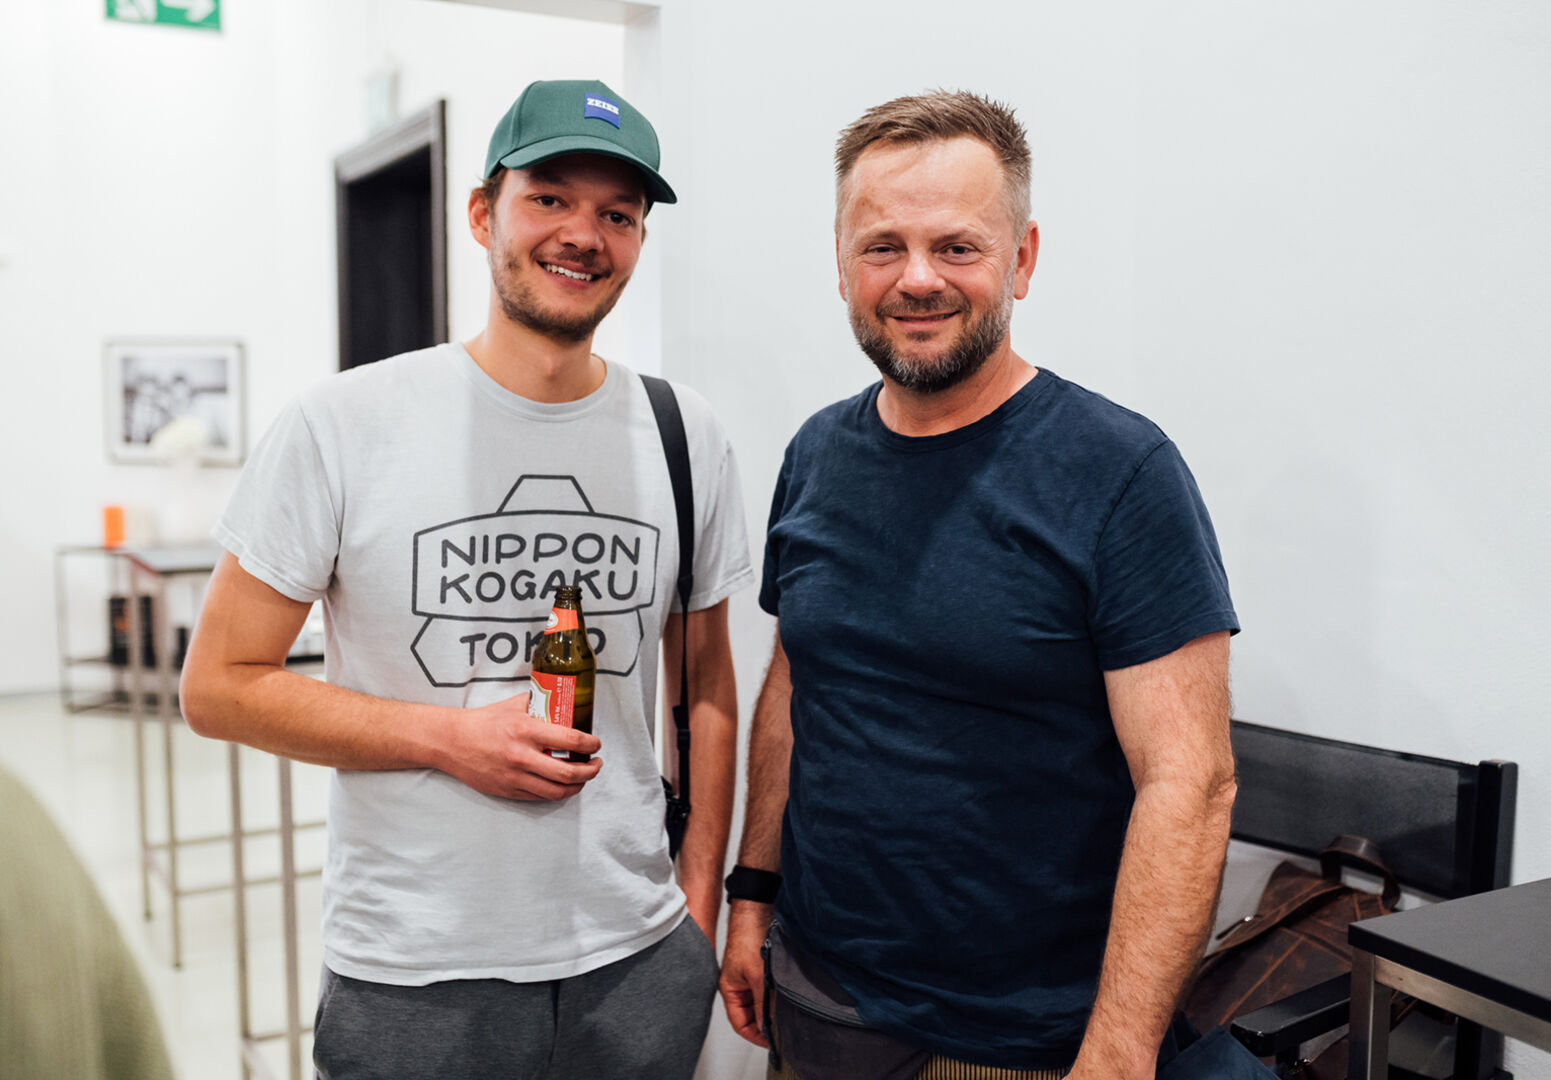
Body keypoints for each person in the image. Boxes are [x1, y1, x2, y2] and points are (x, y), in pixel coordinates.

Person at [181, 79, 753, 1080]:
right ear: (484, 212)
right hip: (415, 973)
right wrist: (449, 739)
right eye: (550, 198)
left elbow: (704, 685)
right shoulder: (341, 425)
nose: (584, 234)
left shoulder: (684, 435)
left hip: (638, 965)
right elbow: (219, 686)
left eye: (617, 214)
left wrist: (692, 909)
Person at [717, 90, 1242, 1080]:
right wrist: (753, 892)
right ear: (841, 264)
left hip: (1022, 1042)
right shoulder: (817, 453)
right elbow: (796, 686)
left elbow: (1192, 782)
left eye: (956, 246)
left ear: (1022, 258)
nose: (917, 278)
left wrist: (1119, 1054)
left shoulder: (1119, 471)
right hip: (818, 1002)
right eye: (884, 247)